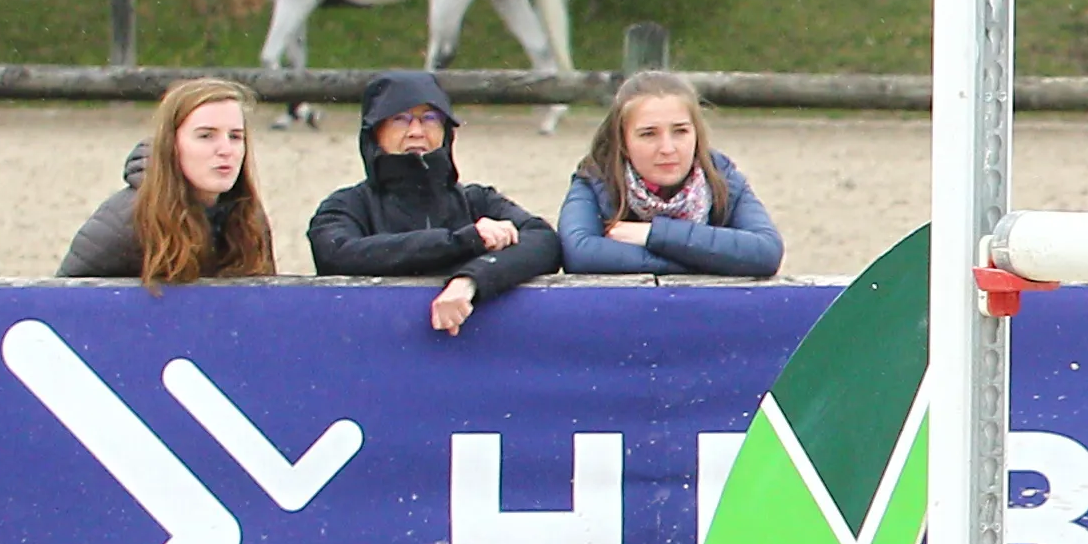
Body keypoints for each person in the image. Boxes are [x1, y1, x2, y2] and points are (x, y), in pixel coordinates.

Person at [307, 70, 559, 334]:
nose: (416, 131)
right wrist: (463, 241)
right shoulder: (348, 205)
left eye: (429, 118)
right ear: (375, 133)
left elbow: (543, 241)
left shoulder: (477, 200)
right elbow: (336, 254)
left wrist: (470, 279)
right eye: (399, 119)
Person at [556, 72, 784, 277]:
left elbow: (766, 251)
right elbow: (578, 253)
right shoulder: (596, 179)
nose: (667, 148)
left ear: (697, 134)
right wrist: (712, 261)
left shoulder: (722, 178)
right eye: (648, 134)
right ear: (623, 142)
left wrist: (653, 234)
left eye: (680, 131)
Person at [57, 78, 276, 285]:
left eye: (235, 137)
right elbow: (59, 302)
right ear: (171, 145)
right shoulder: (125, 221)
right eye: (206, 136)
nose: (226, 150)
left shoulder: (249, 217)